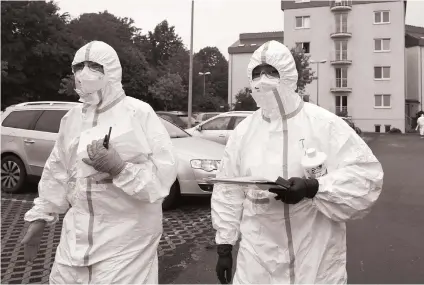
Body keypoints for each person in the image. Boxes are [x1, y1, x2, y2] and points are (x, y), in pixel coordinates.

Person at [211, 40, 384, 284]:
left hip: (316, 255)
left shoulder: (324, 125)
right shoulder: (244, 133)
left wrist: (313, 188)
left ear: (289, 76)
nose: (263, 80)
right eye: (257, 73)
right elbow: (228, 192)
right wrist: (225, 246)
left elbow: (367, 178)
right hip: (258, 259)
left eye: (271, 72)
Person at [20, 41, 177, 284]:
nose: (84, 73)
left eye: (94, 66)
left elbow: (161, 181)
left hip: (127, 239)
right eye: (78, 66)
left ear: (112, 71)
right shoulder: (72, 119)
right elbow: (57, 171)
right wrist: (41, 216)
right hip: (76, 237)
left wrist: (120, 169)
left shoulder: (139, 113)